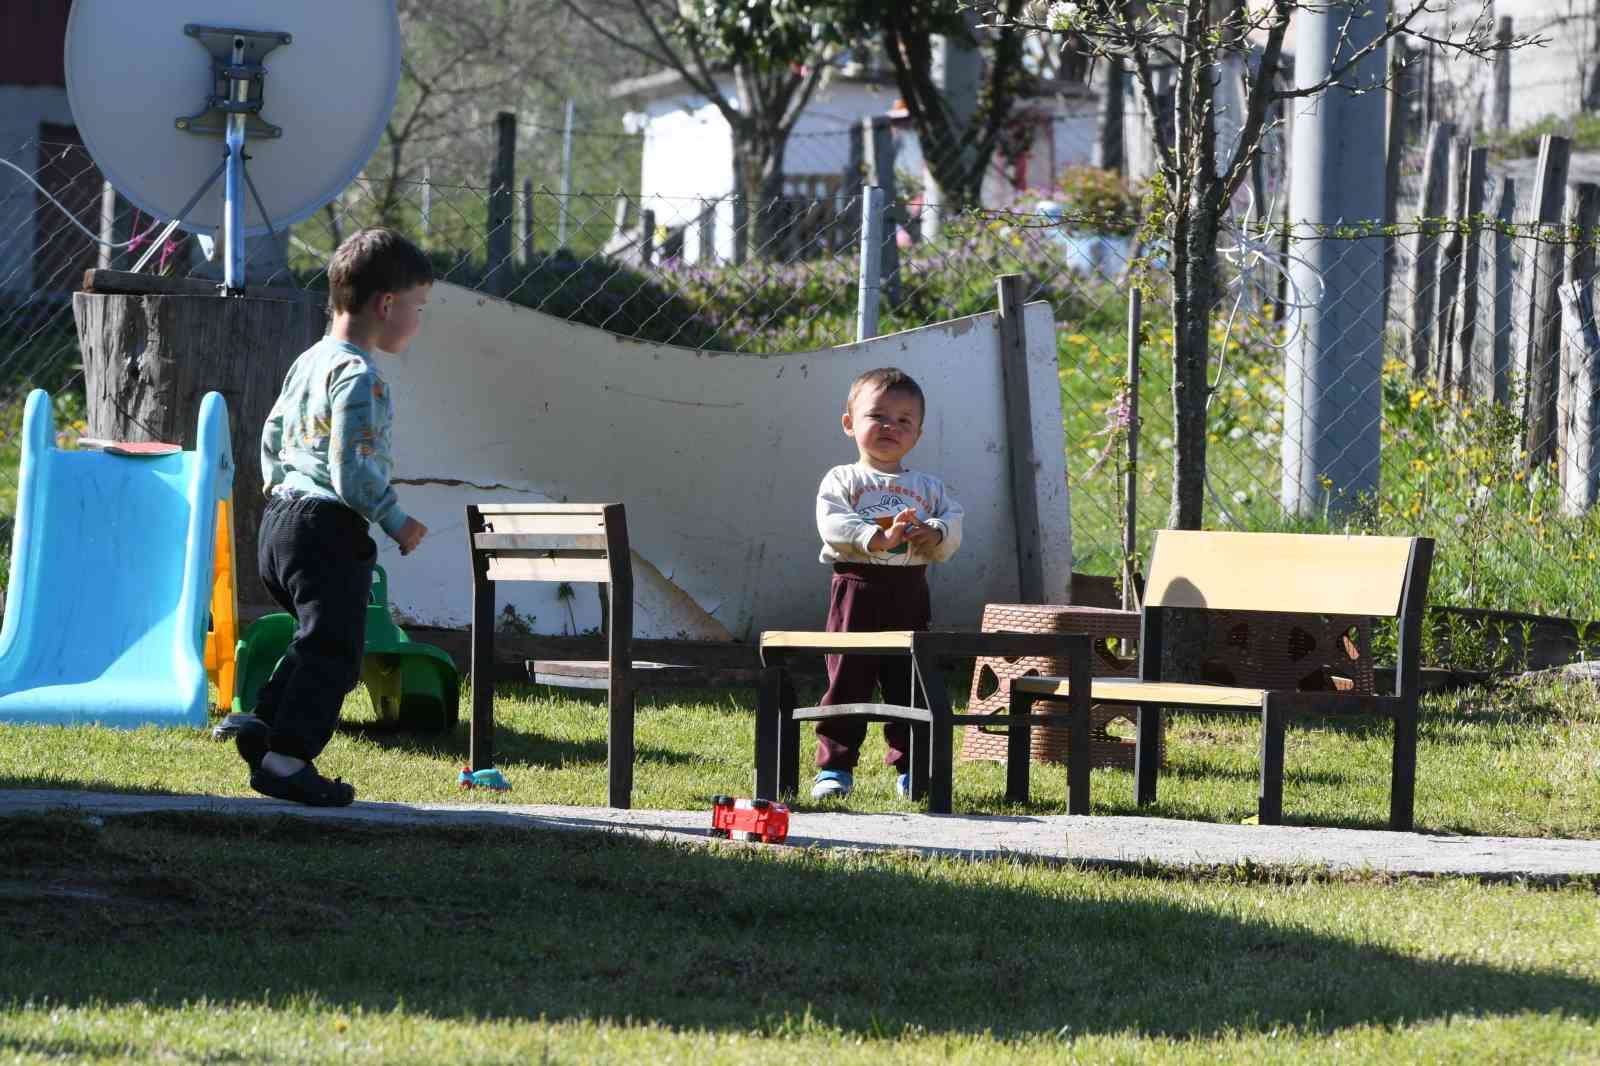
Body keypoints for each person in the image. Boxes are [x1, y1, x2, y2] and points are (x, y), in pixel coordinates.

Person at [228, 227, 432, 806]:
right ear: (386, 305)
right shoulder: (361, 377)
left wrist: (279, 489)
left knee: (317, 640)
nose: (420, 320)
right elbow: (353, 470)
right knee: (337, 655)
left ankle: (267, 725)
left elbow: (271, 431)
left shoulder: (310, 361)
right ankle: (289, 761)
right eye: (419, 307)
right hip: (327, 528)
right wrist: (395, 519)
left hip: (281, 522)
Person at [811, 367, 963, 800]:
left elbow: (953, 522)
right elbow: (833, 523)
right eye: (877, 416)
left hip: (909, 592)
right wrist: (877, 537)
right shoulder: (843, 479)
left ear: (917, 434)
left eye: (903, 420)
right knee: (847, 679)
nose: (889, 427)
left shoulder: (928, 487)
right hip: (856, 589)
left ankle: (912, 769)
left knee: (909, 682)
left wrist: (933, 533)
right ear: (849, 423)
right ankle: (835, 768)